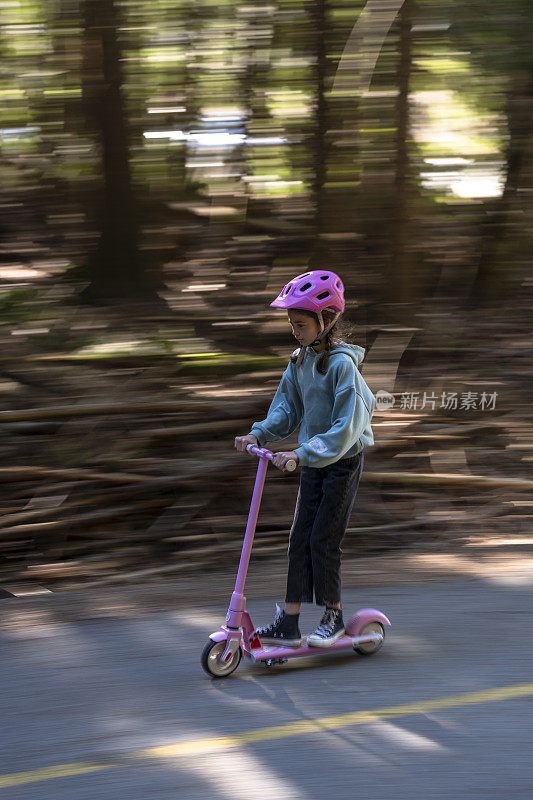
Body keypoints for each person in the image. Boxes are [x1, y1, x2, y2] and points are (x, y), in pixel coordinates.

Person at [234, 270, 376, 648]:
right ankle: (290, 621)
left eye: (300, 324)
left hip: (341, 463)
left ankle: (334, 617)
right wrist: (259, 434)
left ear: (326, 321)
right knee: (299, 539)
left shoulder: (343, 366)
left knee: (323, 541)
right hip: (312, 462)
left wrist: (300, 452)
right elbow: (286, 410)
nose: (294, 331)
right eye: (291, 324)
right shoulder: (299, 361)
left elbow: (348, 427)